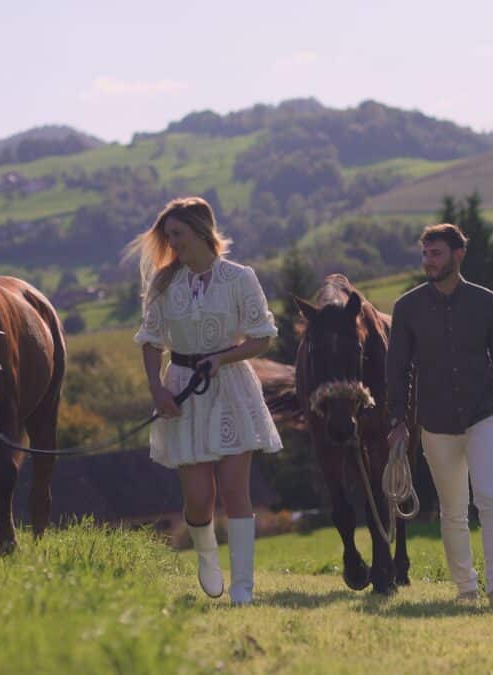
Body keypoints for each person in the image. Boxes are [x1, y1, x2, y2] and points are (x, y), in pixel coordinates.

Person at [126, 196, 281, 605]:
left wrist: (222, 358)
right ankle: (208, 559)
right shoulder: (163, 283)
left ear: (200, 230)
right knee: (198, 498)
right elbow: (149, 341)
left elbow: (262, 335)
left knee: (235, 491)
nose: (170, 242)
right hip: (180, 391)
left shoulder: (239, 277)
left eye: (176, 233)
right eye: (167, 235)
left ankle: (243, 588)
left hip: (230, 387)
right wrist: (156, 390)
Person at [385, 223, 493, 608]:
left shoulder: (486, 303)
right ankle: (466, 587)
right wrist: (398, 420)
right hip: (435, 423)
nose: (428, 261)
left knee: (489, 497)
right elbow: (397, 368)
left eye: (436, 253)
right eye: (425, 254)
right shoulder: (408, 308)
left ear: (457, 254)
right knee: (452, 509)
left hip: (484, 415)